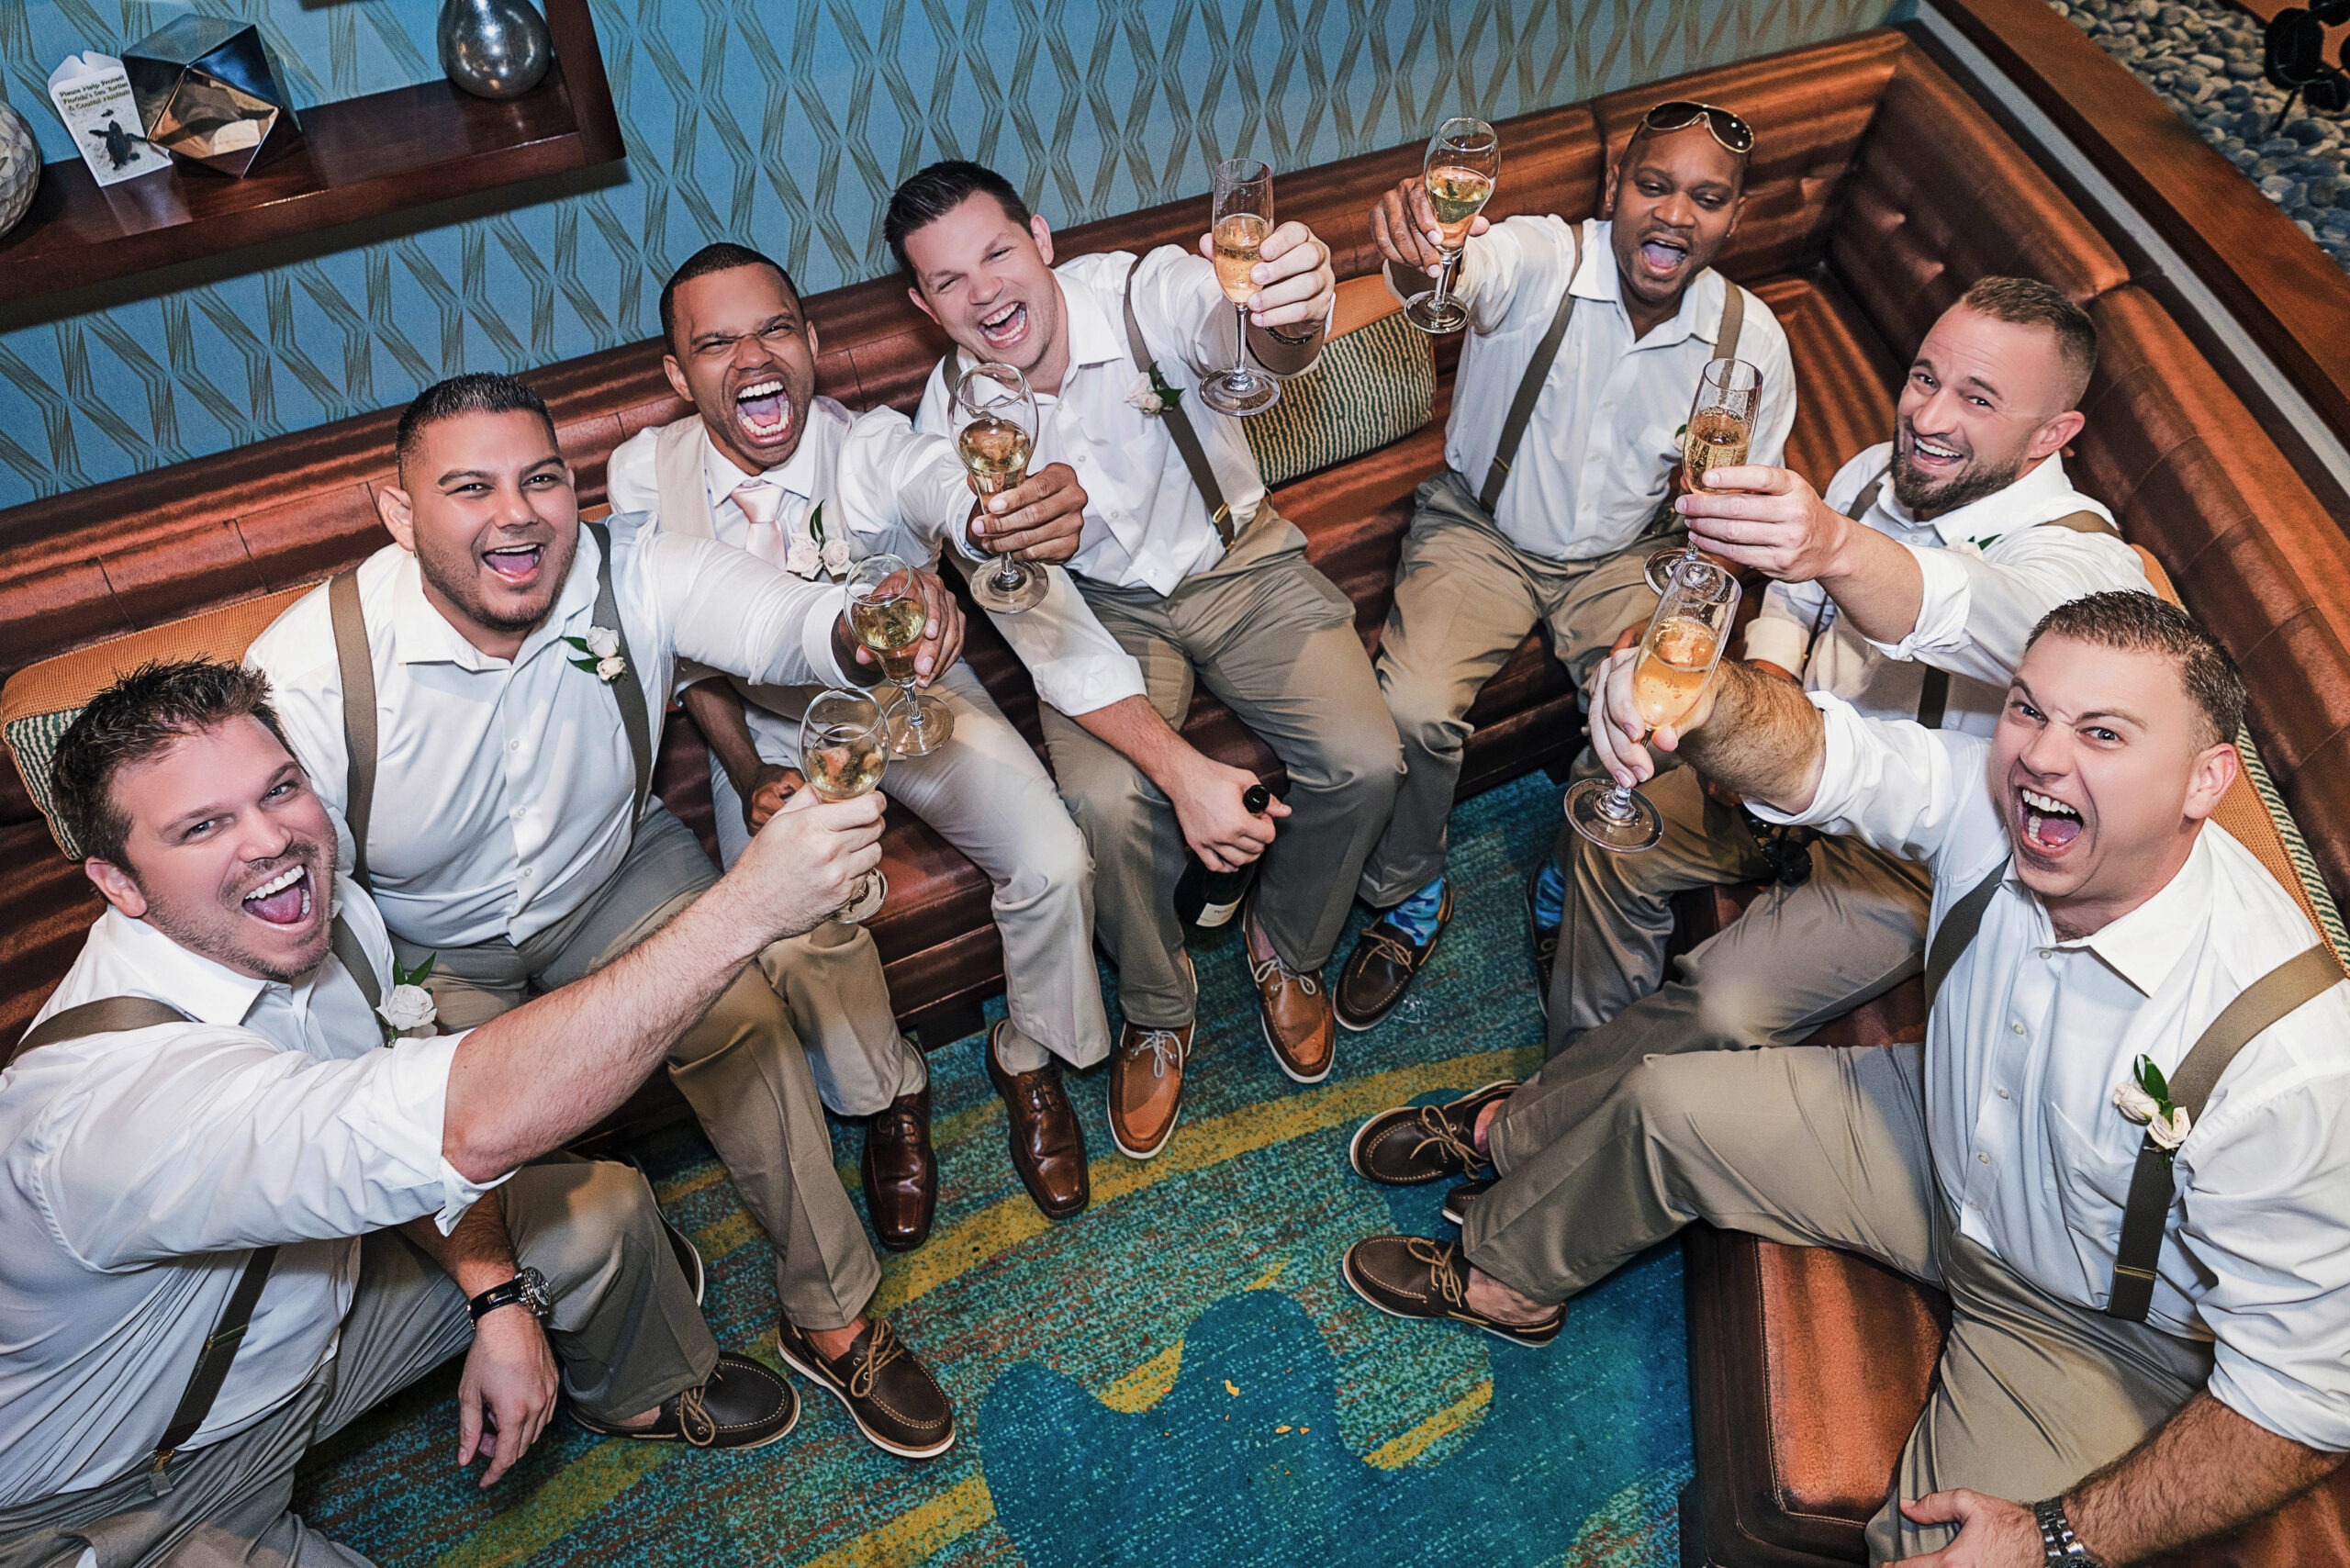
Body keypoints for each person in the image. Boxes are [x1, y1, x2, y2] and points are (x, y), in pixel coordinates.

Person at [1345, 592, 2350, 1563]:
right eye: (2028, 710)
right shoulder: (1995, 802)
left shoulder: (2288, 1058)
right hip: (1936, 1128)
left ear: (2204, 780)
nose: (2040, 757)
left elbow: (2307, 1398)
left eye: (2103, 734)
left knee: (1932, 1548)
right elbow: (1820, 753)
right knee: (1663, 1102)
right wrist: (1702, 704)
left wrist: (2057, 1540)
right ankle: (1508, 1281)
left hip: (2092, 1328)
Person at [0, 656, 884, 1565]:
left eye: (281, 789)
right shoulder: (104, 1114)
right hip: (122, 1493)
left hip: (323, 1321)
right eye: (203, 826)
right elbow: (463, 1120)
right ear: (118, 884)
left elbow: (402, 1126)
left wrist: (498, 1304)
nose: (271, 840)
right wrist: (749, 907)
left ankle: (635, 1390)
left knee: (604, 1211)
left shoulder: (321, 907)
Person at [244, 373, 956, 1461]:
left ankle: (833, 1315)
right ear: (400, 516)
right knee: (488, 1147)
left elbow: (789, 623)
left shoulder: (634, 569)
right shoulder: (312, 667)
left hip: (615, 873)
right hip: (426, 942)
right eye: (469, 487)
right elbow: (297, 898)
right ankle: (643, 1372)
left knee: (749, 1016)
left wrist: (868, 621)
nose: (515, 512)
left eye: (540, 478)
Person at [890, 160, 1404, 1159]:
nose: (985, 291)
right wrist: (1183, 772)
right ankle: (1159, 1010)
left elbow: (1236, 330)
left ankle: (1285, 947)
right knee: (1104, 807)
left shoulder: (1139, 290)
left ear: (1039, 238)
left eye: (997, 253)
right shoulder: (950, 433)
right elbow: (1050, 635)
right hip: (1096, 613)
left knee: (1368, 759)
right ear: (922, 304)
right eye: (949, 282)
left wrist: (1287, 317)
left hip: (1236, 557)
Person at [607, 241, 1109, 1227]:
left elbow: (941, 485)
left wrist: (993, 515)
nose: (752, 359)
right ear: (677, 375)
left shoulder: (869, 443)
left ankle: (1030, 1054)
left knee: (1055, 857)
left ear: (811, 341)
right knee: (794, 931)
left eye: (774, 329)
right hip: (761, 730)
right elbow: (685, 657)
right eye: (716, 343)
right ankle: (889, 1095)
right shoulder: (641, 476)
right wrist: (748, 771)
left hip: (907, 693)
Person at [1525, 276, 2150, 1064]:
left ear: (2052, 434)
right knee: (1606, 839)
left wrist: (1839, 547)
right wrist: (1775, 675)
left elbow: (1987, 610)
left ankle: (1531, 1127)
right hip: (1789, 758)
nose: (1926, 417)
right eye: (1925, 377)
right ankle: (1570, 1072)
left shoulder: (2084, 567)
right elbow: (1791, 596)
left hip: (1908, 854)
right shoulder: (1871, 473)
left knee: (1726, 1004)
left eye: (1978, 400)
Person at [1336, 99, 1797, 1031]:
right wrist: (1423, 251)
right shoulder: (1546, 257)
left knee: (1645, 727)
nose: (1674, 216)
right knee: (1412, 710)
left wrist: (1702, 606)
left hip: (1628, 559)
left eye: (1706, 199)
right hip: (1482, 530)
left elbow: (1751, 519)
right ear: (1613, 188)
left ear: (1735, 216)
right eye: (1653, 185)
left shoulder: (1752, 344)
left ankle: (1561, 883)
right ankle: (1408, 894)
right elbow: (1465, 262)